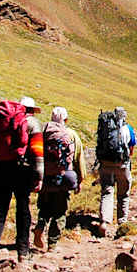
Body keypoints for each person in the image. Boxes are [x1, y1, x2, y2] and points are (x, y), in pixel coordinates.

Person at [0, 96, 44, 269]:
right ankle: (23, 252)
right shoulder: (32, 124)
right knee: (23, 209)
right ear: (30, 110)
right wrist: (39, 177)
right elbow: (37, 153)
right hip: (22, 170)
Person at [33, 107, 85, 251]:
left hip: (44, 178)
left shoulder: (43, 132)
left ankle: (40, 226)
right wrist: (79, 180)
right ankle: (52, 243)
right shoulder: (70, 134)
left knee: (44, 207)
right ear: (66, 120)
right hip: (63, 178)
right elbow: (78, 160)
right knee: (60, 212)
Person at [95, 106, 136, 237]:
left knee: (107, 191)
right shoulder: (127, 129)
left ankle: (104, 222)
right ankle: (122, 221)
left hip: (105, 164)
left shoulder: (106, 129)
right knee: (123, 194)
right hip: (122, 165)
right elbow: (132, 147)